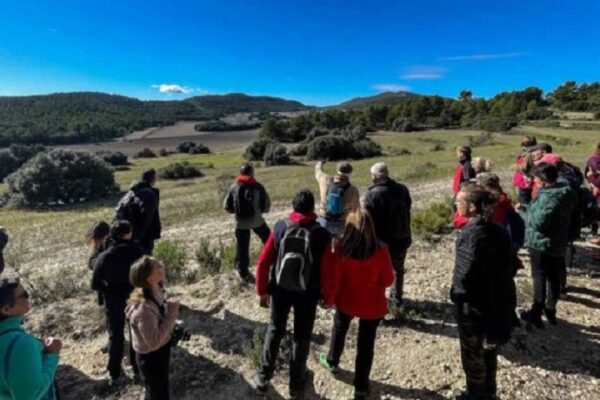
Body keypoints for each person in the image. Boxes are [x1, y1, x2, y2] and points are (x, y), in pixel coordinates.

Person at [254, 189, 330, 398]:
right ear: (313, 208)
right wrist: (327, 296)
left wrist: (262, 291)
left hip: (280, 290)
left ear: (293, 207)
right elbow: (328, 269)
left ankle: (263, 377)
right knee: (302, 337)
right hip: (308, 293)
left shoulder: (280, 227)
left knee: (275, 329)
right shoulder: (322, 234)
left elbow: (263, 261)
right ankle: (296, 385)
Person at [320, 209, 394, 400]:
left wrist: (329, 299)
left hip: (346, 300)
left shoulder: (342, 249)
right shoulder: (381, 250)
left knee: (339, 328)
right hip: (372, 304)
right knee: (365, 346)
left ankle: (332, 361)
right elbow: (387, 280)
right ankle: (361, 386)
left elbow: (335, 279)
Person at [451, 185, 516, 400]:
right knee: (490, 349)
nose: (455, 204)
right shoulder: (498, 229)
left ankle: (475, 395)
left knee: (472, 355)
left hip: (475, 306)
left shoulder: (470, 234)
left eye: (459, 201)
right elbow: (510, 265)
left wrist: (457, 298)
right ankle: (490, 391)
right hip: (499, 300)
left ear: (472, 207)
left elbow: (464, 275)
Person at [521, 164, 577, 328]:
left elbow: (538, 222)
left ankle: (536, 312)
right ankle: (550, 309)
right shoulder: (567, 192)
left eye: (536, 177)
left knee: (539, 277)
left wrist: (524, 213)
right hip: (559, 241)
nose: (534, 180)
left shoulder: (549, 197)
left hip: (541, 242)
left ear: (544, 179)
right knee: (554, 277)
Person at [92, 220, 145, 383]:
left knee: (116, 335)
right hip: (133, 298)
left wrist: (108, 290)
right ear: (127, 233)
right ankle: (138, 369)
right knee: (136, 332)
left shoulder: (104, 256)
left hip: (112, 301)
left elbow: (95, 283)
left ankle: (114, 372)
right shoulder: (137, 251)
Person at [126, 256, 179, 400]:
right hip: (151, 357)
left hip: (160, 351)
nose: (162, 265)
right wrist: (171, 314)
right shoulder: (144, 310)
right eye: (158, 266)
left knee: (159, 387)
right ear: (149, 278)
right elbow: (153, 342)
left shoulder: (155, 288)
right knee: (158, 393)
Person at [0, 278, 62, 399]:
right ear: (6, 309)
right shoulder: (20, 343)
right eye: (24, 295)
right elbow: (30, 394)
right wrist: (53, 355)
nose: (28, 297)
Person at [363, 162, 412, 312]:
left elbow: (367, 220)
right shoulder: (402, 189)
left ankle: (377, 301)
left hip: (381, 241)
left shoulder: (373, 194)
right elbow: (408, 207)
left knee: (376, 272)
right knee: (398, 269)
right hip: (402, 237)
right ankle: (396, 301)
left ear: (375, 176)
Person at [224, 163, 271, 283]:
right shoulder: (258, 187)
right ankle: (273, 262)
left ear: (241, 173)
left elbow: (226, 206)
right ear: (251, 173)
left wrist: (237, 213)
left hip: (240, 223)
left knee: (242, 248)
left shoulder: (233, 187)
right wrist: (258, 212)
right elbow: (266, 207)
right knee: (270, 240)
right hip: (257, 221)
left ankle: (243, 273)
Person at [116, 168, 162, 255]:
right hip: (143, 236)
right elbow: (147, 218)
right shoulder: (149, 194)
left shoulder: (133, 190)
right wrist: (138, 237)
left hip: (128, 232)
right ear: (154, 178)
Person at [315, 161, 360, 236]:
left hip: (324, 220)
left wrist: (320, 163)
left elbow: (318, 172)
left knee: (322, 244)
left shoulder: (324, 179)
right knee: (339, 246)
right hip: (341, 222)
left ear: (337, 170)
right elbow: (356, 209)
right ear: (350, 173)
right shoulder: (353, 190)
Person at [513, 136, 537, 207]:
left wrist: (515, 166)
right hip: (530, 181)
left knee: (524, 203)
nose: (523, 147)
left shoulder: (528, 155)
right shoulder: (535, 154)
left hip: (525, 182)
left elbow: (524, 168)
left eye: (525, 145)